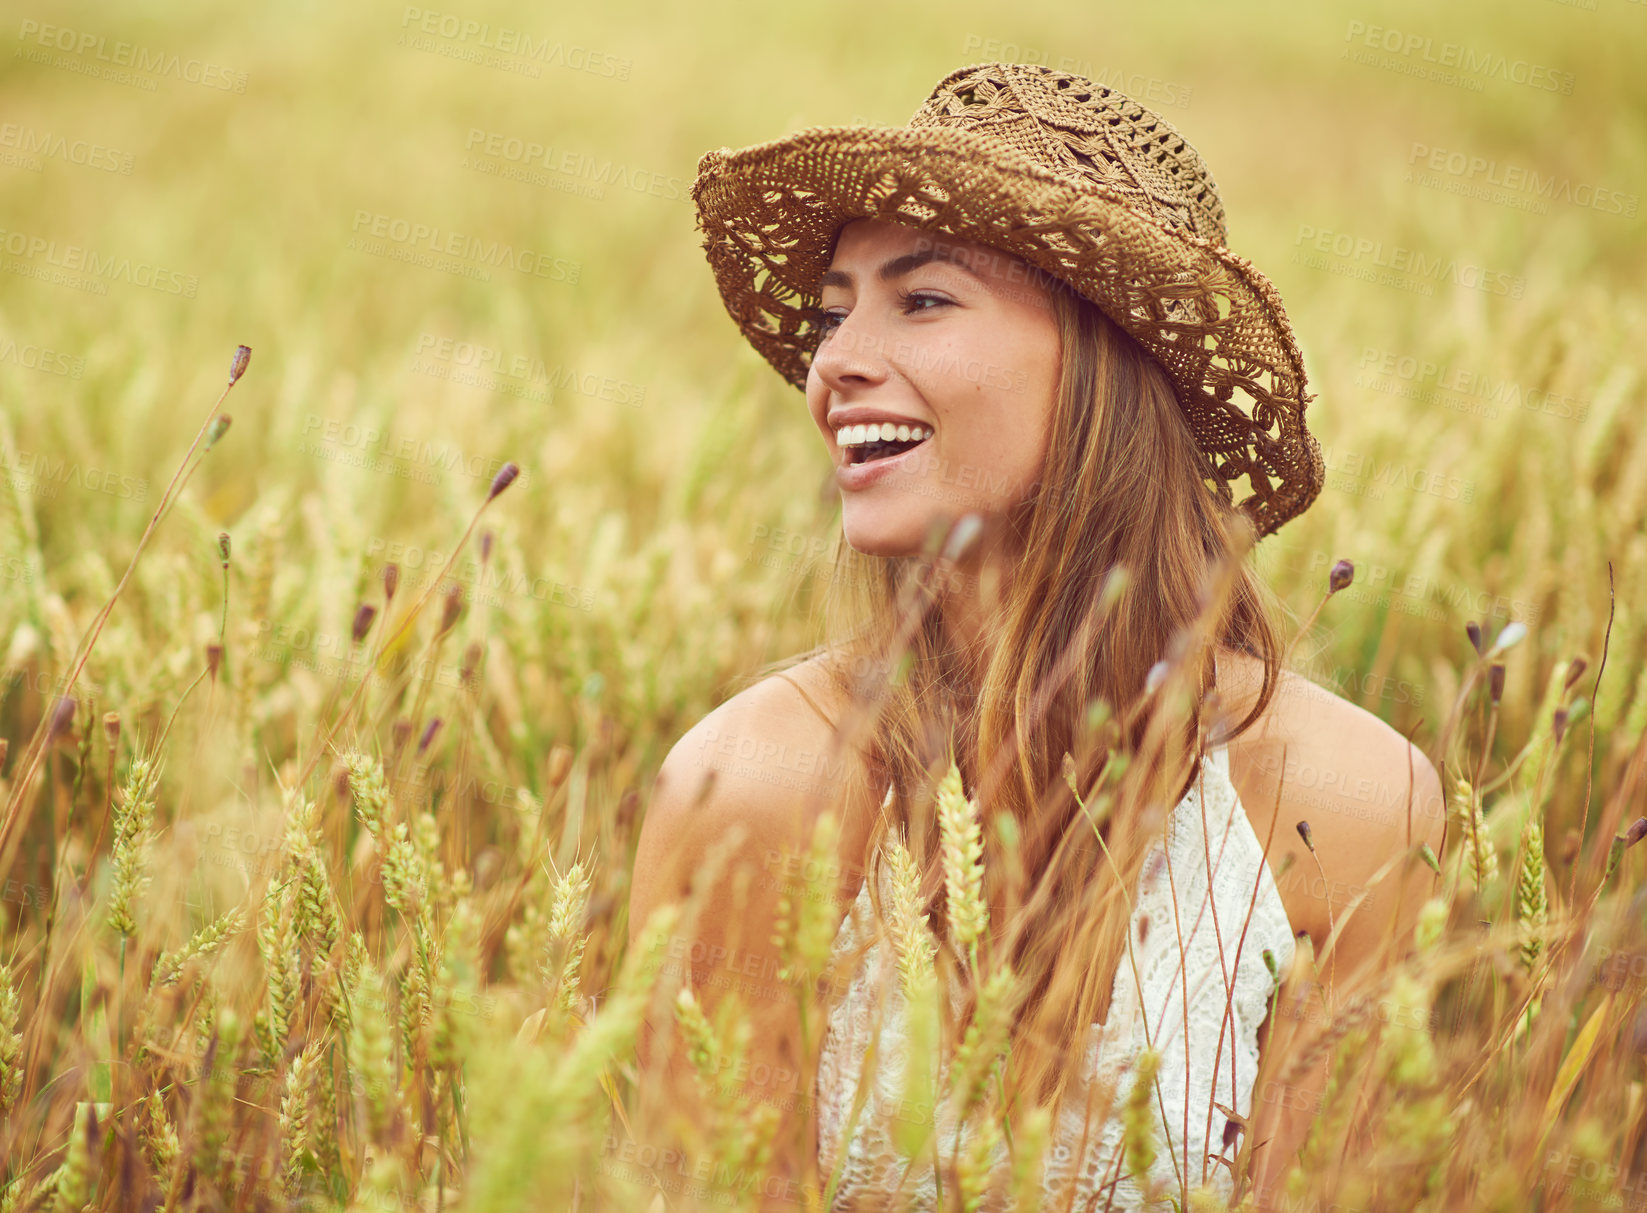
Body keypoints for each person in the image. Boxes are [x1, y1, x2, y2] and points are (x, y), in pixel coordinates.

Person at [630, 62, 1445, 1211]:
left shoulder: (1349, 809)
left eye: (921, 300)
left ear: (1106, 360)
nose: (833, 364)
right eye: (830, 313)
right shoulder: (754, 789)